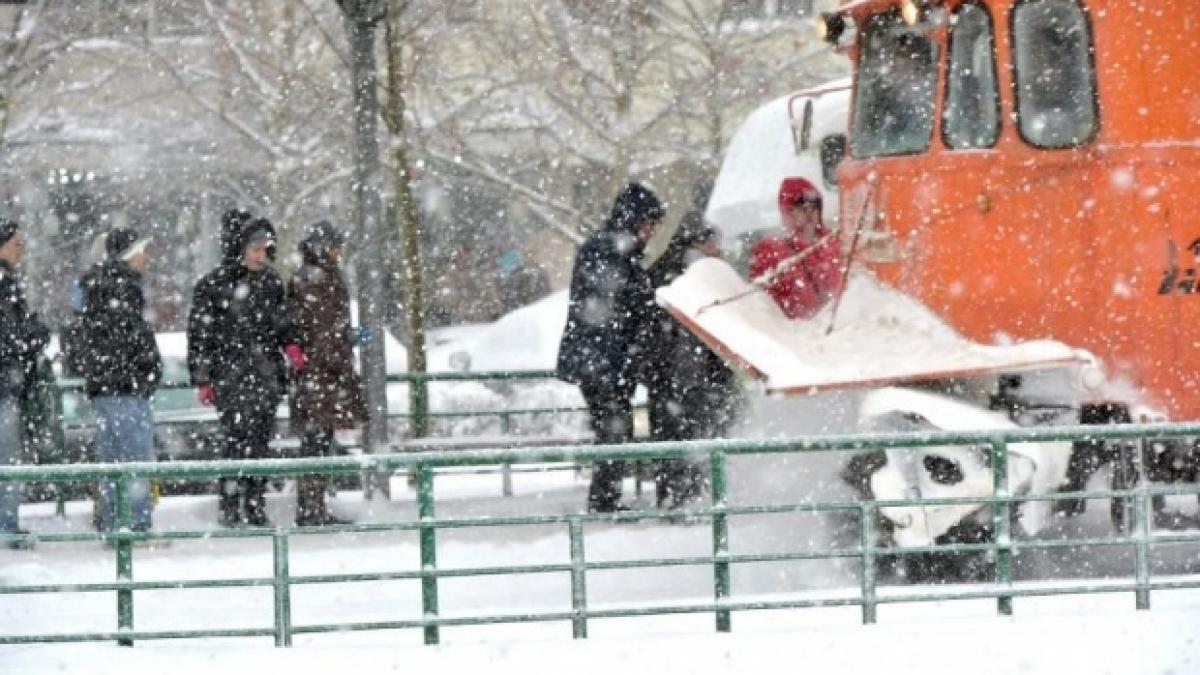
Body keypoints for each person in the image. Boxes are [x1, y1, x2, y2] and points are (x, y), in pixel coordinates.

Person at [187, 211, 304, 527]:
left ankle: (253, 503)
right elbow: (200, 335)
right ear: (239, 248)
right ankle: (231, 505)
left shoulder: (268, 282)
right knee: (237, 442)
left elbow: (280, 322)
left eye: (264, 249)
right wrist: (204, 379)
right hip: (233, 378)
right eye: (255, 248)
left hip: (262, 377)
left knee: (259, 442)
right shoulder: (214, 286)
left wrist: (290, 345)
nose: (261, 255)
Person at [557, 182, 664, 513]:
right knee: (613, 427)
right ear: (633, 220)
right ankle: (604, 501)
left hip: (602, 359)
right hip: (602, 360)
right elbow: (617, 303)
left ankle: (606, 497)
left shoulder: (613, 249)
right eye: (648, 224)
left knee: (614, 427)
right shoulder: (610, 250)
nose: (651, 232)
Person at [643, 192, 741, 509]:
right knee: (693, 444)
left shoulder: (666, 271)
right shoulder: (694, 277)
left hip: (673, 382)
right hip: (689, 381)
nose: (719, 251)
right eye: (713, 244)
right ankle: (686, 500)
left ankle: (677, 498)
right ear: (698, 244)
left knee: (676, 446)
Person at [77, 228, 162, 534]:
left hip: (106, 386)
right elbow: (133, 338)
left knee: (112, 459)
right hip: (126, 386)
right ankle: (134, 526)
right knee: (134, 459)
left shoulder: (96, 287)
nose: (146, 257)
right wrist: (148, 369)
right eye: (142, 250)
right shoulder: (124, 288)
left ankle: (114, 521)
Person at [286, 220, 368, 526]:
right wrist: (343, 344)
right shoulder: (319, 279)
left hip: (316, 377)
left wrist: (344, 339)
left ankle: (313, 507)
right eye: (335, 247)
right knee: (316, 444)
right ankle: (311, 510)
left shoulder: (312, 277)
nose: (338, 252)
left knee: (317, 443)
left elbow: (319, 328)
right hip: (321, 377)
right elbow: (321, 330)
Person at [0, 220, 50, 549]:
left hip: (9, 382)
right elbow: (11, 336)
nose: (22, 250)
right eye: (17, 244)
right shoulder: (5, 285)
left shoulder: (9, 283)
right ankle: (7, 524)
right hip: (6, 384)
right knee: (7, 459)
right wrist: (33, 338)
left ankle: (8, 522)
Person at [748, 177, 843, 320]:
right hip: (799, 331)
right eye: (802, 208)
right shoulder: (772, 252)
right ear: (788, 212)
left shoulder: (835, 242)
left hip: (841, 322)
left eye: (814, 206)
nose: (809, 212)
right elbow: (764, 303)